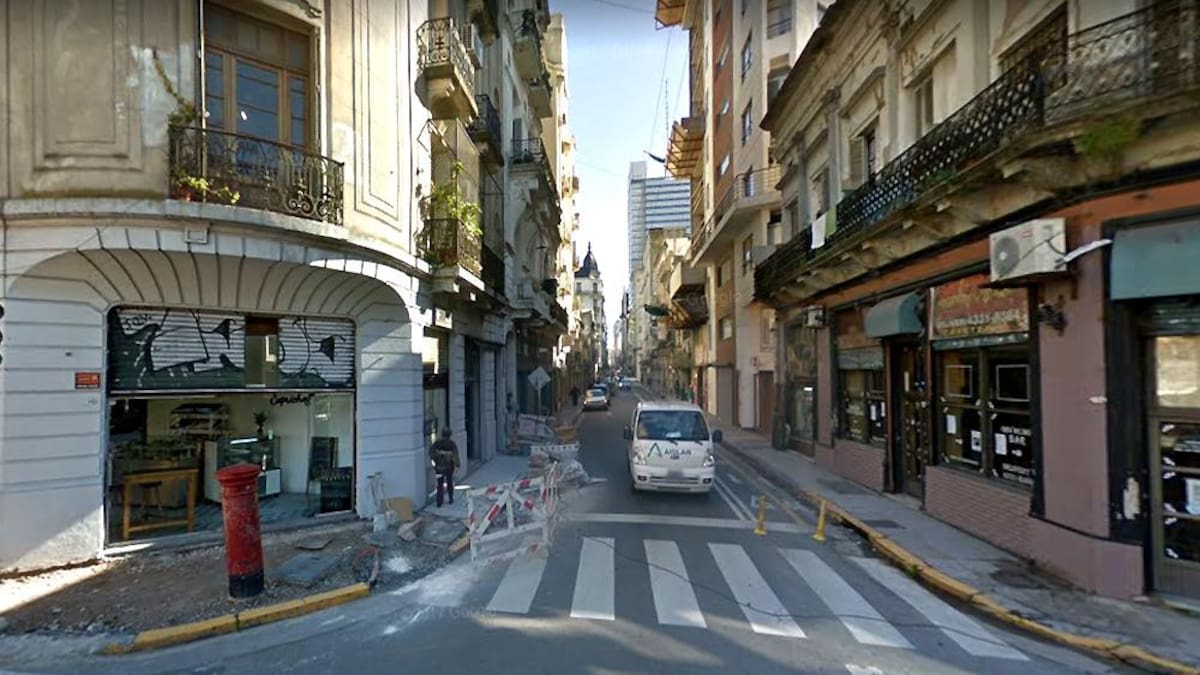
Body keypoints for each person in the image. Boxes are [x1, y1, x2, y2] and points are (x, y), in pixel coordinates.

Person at [429, 427, 460, 507]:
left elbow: (431, 452)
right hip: (449, 467)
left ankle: (439, 501)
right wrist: (457, 465)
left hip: (439, 467)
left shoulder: (437, 443)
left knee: (440, 484)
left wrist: (435, 459)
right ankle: (450, 499)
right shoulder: (452, 443)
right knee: (449, 482)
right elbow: (455, 455)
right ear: (450, 435)